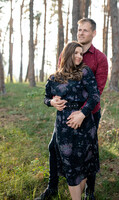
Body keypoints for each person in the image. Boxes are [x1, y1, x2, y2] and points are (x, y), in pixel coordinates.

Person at [36, 18, 108, 200]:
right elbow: (59, 82)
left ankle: (89, 192)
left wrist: (81, 114)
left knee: (88, 153)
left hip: (90, 113)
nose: (81, 33)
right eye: (79, 30)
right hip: (65, 118)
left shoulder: (99, 58)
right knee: (54, 148)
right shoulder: (67, 53)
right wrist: (53, 101)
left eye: (85, 30)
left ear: (93, 33)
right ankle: (52, 187)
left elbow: (96, 91)